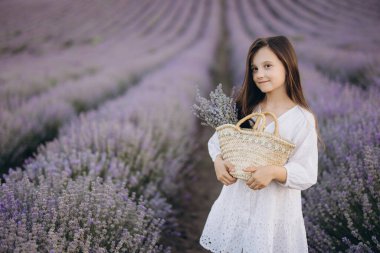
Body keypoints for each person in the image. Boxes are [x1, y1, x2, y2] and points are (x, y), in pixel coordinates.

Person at [199, 35, 323, 253]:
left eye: (267, 66)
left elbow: (307, 172)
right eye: (254, 68)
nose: (259, 74)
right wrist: (218, 161)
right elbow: (218, 141)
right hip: (235, 207)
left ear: (287, 66)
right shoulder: (246, 107)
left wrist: (274, 172)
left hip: (271, 216)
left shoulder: (301, 119)